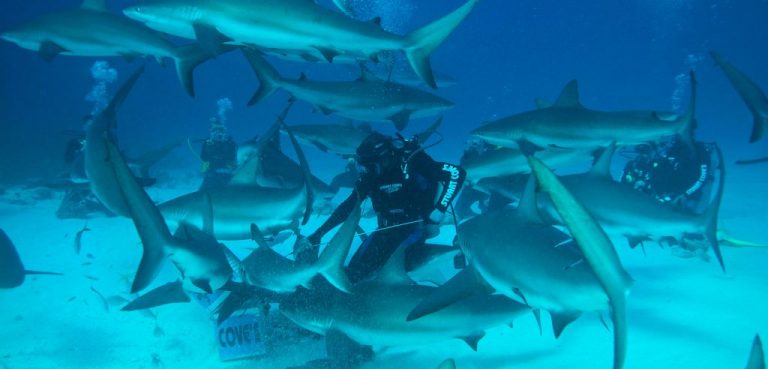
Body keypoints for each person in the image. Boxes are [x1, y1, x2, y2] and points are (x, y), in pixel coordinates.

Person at [299, 132, 466, 283]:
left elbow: (457, 173)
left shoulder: (413, 161)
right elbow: (349, 206)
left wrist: (438, 211)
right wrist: (319, 233)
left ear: (383, 159)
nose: (365, 171)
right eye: (362, 166)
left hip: (416, 225)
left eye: (368, 166)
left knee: (382, 272)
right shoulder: (370, 175)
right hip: (385, 228)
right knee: (354, 273)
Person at [621, 137, 715, 212]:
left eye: (647, 150)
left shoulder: (698, 150)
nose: (644, 155)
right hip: (659, 199)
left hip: (683, 196)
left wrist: (684, 195)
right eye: (640, 150)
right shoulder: (631, 166)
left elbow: (701, 178)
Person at [200, 118, 238, 191]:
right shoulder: (207, 143)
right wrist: (208, 147)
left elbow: (232, 158)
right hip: (210, 173)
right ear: (211, 132)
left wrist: (227, 145)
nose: (218, 133)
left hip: (227, 172)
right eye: (215, 130)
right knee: (202, 192)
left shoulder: (229, 143)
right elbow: (204, 158)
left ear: (224, 132)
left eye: (221, 130)